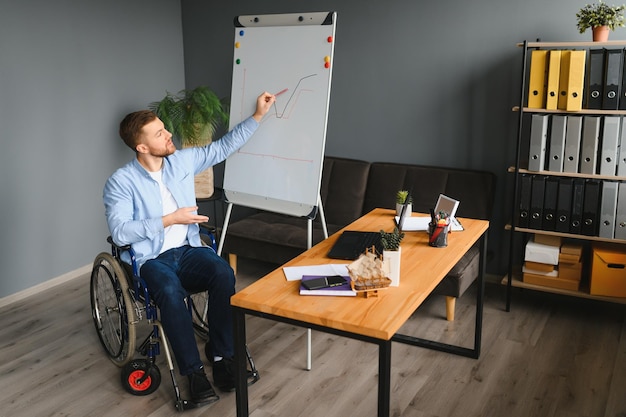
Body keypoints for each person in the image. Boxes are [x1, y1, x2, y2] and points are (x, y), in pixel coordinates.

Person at [103, 91, 275, 404]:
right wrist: (170, 219)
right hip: (153, 260)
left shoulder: (181, 160)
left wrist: (258, 116)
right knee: (169, 293)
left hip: (189, 249)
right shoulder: (121, 182)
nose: (169, 134)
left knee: (223, 274)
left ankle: (223, 358)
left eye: (164, 128)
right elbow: (120, 232)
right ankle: (193, 373)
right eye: (160, 133)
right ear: (142, 147)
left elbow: (223, 147)